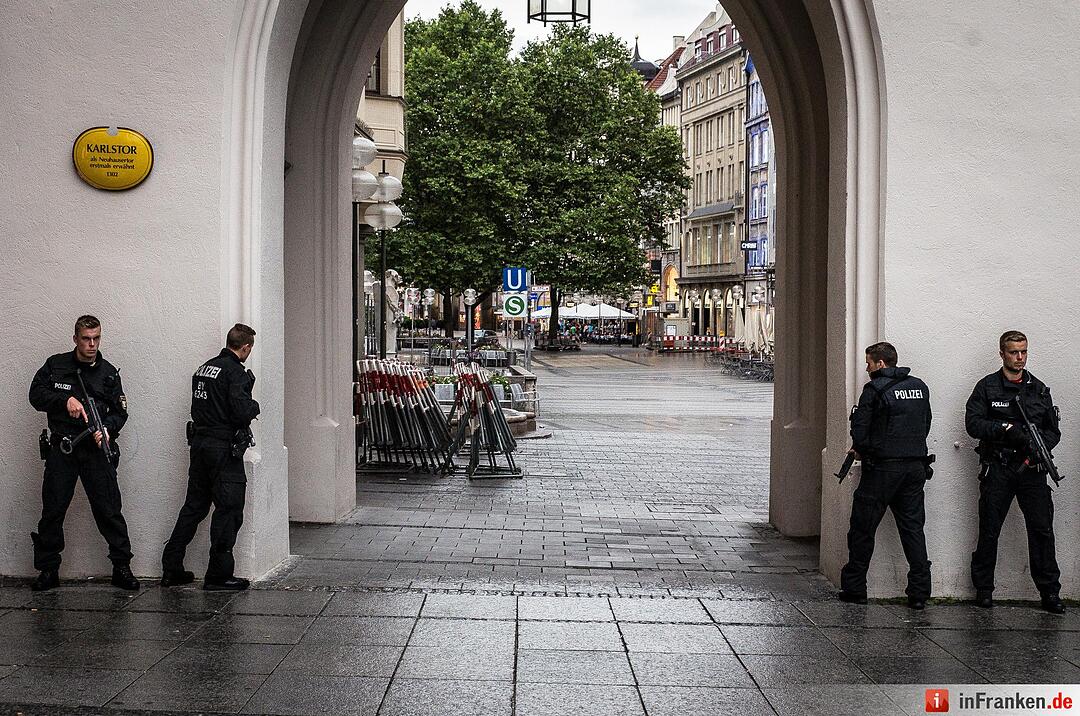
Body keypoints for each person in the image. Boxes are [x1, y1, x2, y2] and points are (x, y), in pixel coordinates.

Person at [28, 315, 139, 591]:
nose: (92, 344)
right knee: (53, 509)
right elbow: (35, 395)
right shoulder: (56, 365)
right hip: (63, 448)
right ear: (75, 338)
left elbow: (120, 412)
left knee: (109, 509)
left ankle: (121, 566)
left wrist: (109, 429)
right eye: (86, 339)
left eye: (96, 338)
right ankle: (48, 569)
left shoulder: (109, 373)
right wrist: (64, 400)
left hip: (94, 450)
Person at [965, 331, 1064, 614]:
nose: (1019, 357)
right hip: (999, 467)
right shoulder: (987, 387)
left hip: (1031, 470)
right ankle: (984, 590)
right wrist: (1005, 430)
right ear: (1002, 354)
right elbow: (973, 424)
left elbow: (1052, 431)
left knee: (1042, 530)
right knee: (989, 529)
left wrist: (1037, 450)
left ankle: (1049, 592)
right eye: (1013, 352)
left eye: (1023, 352)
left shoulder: (1038, 389)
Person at [161, 323, 260, 591]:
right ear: (246, 346)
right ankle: (218, 575)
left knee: (194, 507)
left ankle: (171, 566)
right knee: (228, 510)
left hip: (200, 445)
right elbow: (240, 411)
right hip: (223, 449)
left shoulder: (204, 368)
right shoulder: (235, 373)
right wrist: (254, 405)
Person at [839, 342, 933, 610]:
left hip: (882, 470)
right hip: (914, 468)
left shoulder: (874, 389)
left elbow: (861, 431)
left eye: (869, 363)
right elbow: (926, 423)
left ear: (880, 363)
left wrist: (865, 448)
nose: (867, 368)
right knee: (913, 530)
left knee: (862, 529)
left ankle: (855, 588)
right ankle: (919, 592)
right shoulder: (919, 387)